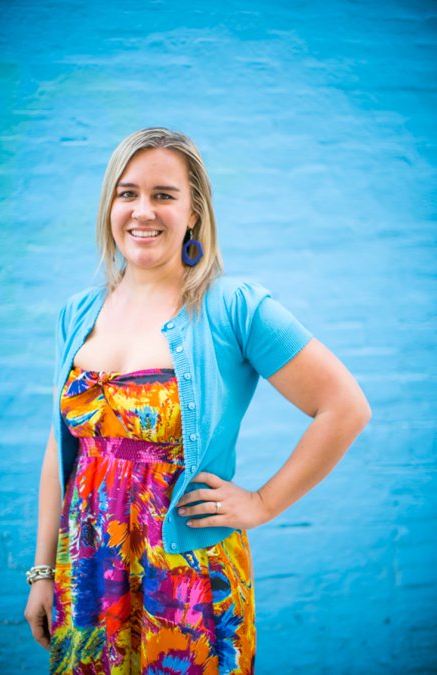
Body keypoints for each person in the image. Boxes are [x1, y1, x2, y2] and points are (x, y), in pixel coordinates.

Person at [23, 128, 370, 673]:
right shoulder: (78, 313)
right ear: (109, 206)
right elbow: (61, 451)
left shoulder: (234, 307)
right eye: (127, 192)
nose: (143, 210)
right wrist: (43, 572)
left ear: (194, 212)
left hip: (187, 577)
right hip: (88, 572)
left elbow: (345, 407)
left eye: (164, 195)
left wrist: (262, 504)